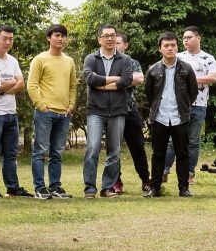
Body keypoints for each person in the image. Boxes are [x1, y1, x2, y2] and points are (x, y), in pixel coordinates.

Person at [143, 32, 199, 197]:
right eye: (166, 45)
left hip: (180, 117)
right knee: (158, 154)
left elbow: (193, 92)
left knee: (183, 154)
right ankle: (155, 188)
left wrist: (184, 106)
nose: (170, 48)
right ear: (160, 48)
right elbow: (149, 93)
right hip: (159, 117)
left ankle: (184, 188)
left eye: (173, 45)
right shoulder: (153, 70)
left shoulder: (186, 69)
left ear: (177, 47)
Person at [81, 24, 134, 199]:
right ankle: (90, 188)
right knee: (92, 149)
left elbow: (126, 80)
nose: (110, 38)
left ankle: (108, 187)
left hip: (118, 111)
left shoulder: (125, 60)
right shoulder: (91, 58)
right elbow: (90, 79)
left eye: (113, 35)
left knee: (114, 151)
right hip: (96, 111)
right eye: (106, 36)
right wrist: (113, 81)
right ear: (100, 39)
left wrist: (101, 85)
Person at [27, 24, 78, 200]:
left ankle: (55, 187)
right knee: (40, 151)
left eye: (63, 36)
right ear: (49, 38)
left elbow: (73, 85)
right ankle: (40, 188)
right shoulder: (40, 59)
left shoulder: (69, 61)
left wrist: (71, 105)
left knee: (57, 152)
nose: (60, 39)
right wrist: (42, 106)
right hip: (45, 113)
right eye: (57, 35)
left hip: (63, 114)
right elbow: (32, 85)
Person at [163, 26, 216, 185]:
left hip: (199, 105)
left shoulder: (208, 58)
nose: (186, 40)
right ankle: (164, 170)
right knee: (173, 140)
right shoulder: (177, 57)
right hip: (177, 105)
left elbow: (213, 77)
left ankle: (189, 174)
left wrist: (191, 80)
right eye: (184, 38)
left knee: (193, 141)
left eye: (189, 37)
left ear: (198, 38)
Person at [0, 25, 33, 199]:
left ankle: (13, 187)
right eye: (4, 38)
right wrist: (6, 85)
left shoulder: (12, 60)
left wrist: (3, 88)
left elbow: (21, 84)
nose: (8, 42)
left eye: (11, 39)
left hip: (11, 113)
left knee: (11, 154)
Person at [114, 32, 151, 195]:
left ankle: (145, 180)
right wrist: (124, 79)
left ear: (126, 45)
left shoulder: (132, 62)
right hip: (111, 111)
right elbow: (98, 80)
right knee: (113, 148)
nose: (115, 45)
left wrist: (113, 81)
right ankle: (115, 181)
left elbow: (139, 79)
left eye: (118, 42)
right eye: (112, 42)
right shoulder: (105, 62)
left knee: (137, 146)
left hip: (130, 109)